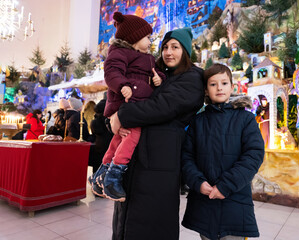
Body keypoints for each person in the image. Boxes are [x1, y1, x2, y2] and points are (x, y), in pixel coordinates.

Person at [109, 27, 204, 239]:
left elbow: (163, 107)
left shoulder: (192, 78)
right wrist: (113, 120)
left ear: (186, 51)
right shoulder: (156, 75)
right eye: (165, 47)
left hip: (160, 162)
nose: (168, 52)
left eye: (175, 47)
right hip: (136, 157)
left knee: (151, 222)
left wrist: (122, 115)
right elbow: (125, 98)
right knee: (126, 218)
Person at [88, 12, 166, 201]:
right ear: (134, 38)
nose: (150, 41)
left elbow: (155, 73)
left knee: (120, 138)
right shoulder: (119, 53)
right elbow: (112, 72)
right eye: (147, 37)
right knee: (133, 135)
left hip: (136, 102)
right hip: (126, 102)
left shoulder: (147, 57)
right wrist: (122, 85)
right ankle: (114, 175)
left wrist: (159, 79)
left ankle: (102, 173)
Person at [181, 64, 265, 240]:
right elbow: (186, 157)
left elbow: (253, 155)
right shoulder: (197, 122)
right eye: (213, 84)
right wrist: (197, 182)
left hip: (235, 202)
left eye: (224, 83)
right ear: (205, 90)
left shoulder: (246, 119)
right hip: (204, 202)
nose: (219, 88)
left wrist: (225, 186)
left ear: (232, 87)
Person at [88, 99, 113, 177]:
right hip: (109, 146)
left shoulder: (94, 122)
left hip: (98, 146)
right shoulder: (109, 120)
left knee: (97, 169)